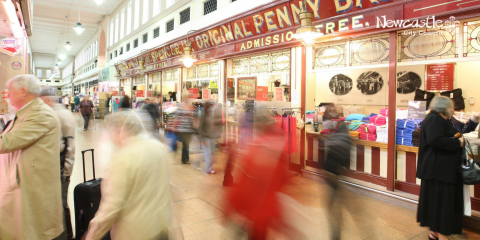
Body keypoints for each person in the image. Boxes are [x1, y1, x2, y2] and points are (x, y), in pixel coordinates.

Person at [84, 111, 172, 240]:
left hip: (135, 232)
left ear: (120, 130)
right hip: (160, 228)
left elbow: (111, 206)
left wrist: (92, 236)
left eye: (112, 131)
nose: (111, 136)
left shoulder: (122, 158)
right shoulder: (159, 147)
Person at [0, 74, 64, 239]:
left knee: (32, 228)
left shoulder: (40, 114)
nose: (7, 94)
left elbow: (7, 142)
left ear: (23, 91)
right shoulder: (28, 112)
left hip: (31, 183)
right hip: (23, 179)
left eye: (9, 91)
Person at [417, 96, 465, 240]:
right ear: (443, 106)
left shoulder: (438, 119)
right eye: (451, 106)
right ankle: (443, 236)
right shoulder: (434, 119)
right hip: (438, 171)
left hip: (439, 170)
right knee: (442, 204)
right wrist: (458, 144)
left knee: (437, 203)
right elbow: (435, 140)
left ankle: (435, 233)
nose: (453, 109)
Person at [40, 86, 76, 239]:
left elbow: (62, 146)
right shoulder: (63, 112)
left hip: (61, 168)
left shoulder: (55, 115)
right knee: (62, 204)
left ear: (47, 100)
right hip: (64, 167)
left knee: (60, 204)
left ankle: (66, 235)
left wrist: (65, 170)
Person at [323, 123, 352, 240]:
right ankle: (336, 232)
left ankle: (331, 211)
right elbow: (347, 161)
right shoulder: (348, 141)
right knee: (336, 201)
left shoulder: (334, 136)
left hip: (327, 170)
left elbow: (327, 153)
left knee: (332, 200)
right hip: (335, 173)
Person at [197, 101, 223, 174]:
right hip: (206, 137)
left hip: (211, 136)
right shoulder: (204, 114)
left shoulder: (210, 113)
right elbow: (201, 127)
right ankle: (208, 169)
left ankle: (210, 168)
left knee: (210, 153)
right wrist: (202, 138)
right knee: (207, 153)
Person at [171, 93, 194, 164]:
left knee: (186, 143)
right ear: (185, 98)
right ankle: (185, 159)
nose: (190, 99)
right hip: (183, 128)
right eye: (189, 97)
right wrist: (174, 126)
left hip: (189, 128)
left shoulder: (190, 106)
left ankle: (184, 158)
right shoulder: (181, 106)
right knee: (186, 144)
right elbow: (176, 117)